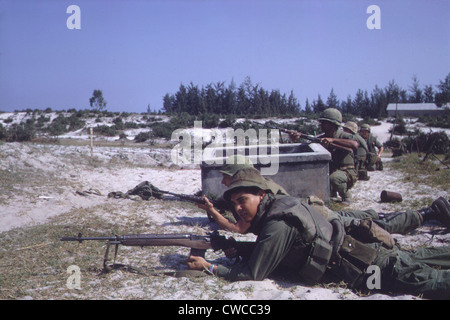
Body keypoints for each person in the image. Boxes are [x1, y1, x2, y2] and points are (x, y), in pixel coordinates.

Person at [186, 169, 450, 299]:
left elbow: (254, 273)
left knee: (434, 282)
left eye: (243, 200)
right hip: (370, 254)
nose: (238, 208)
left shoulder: (278, 223)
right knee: (425, 259)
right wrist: (239, 248)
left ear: (261, 195)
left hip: (372, 272)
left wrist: (210, 267)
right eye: (234, 204)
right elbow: (281, 251)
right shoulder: (281, 207)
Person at [198, 155, 288, 233]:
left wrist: (211, 211)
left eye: (225, 177)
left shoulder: (254, 192)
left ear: (237, 176)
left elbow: (239, 229)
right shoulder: (256, 184)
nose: (222, 182)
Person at [289, 108, 359, 203]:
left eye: (324, 123)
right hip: (331, 170)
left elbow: (354, 144)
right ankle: (331, 195)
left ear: (333, 124)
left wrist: (333, 140)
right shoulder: (322, 138)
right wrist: (297, 138)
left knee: (334, 178)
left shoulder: (344, 136)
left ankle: (346, 196)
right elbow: (309, 144)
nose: (321, 125)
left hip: (347, 172)